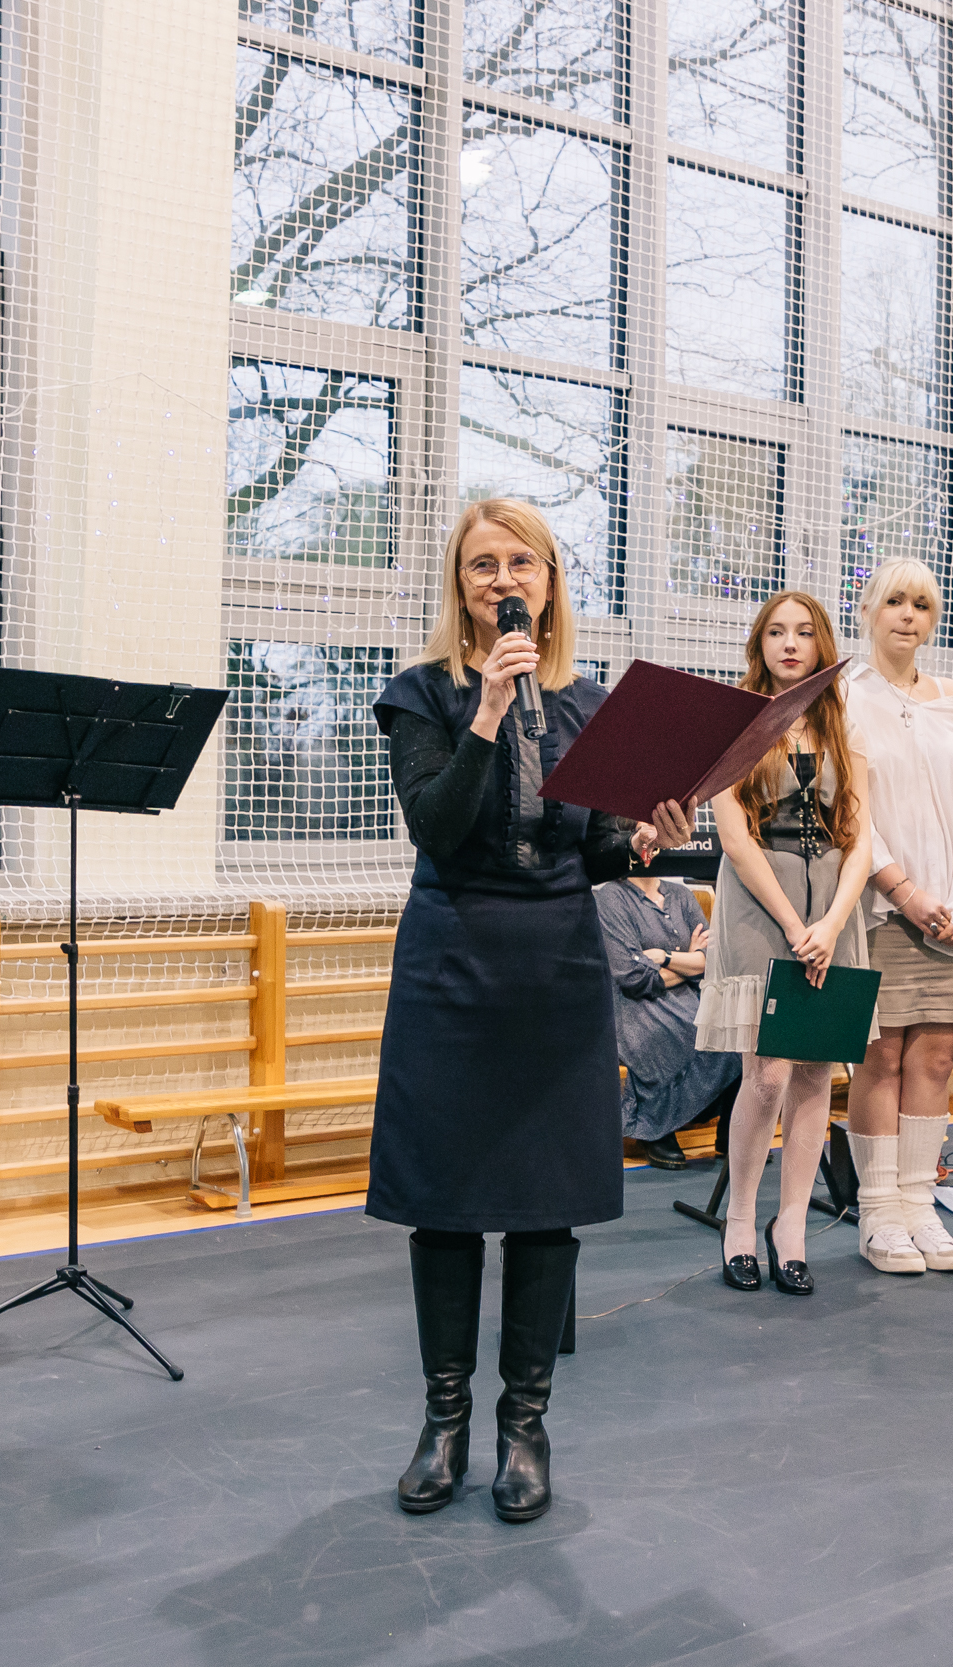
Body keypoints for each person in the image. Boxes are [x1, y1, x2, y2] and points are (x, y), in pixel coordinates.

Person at [369, 498, 688, 1526]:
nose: (502, 579)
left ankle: (525, 1424)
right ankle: (444, 1420)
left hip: (556, 965)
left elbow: (588, 850)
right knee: (446, 1200)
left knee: (545, 1203)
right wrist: (487, 711)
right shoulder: (421, 693)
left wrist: (645, 837)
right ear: (460, 585)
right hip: (452, 961)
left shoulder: (589, 704)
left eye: (522, 563)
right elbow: (438, 825)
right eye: (482, 564)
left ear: (549, 582)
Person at [697, 590, 872, 1297]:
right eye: (777, 632)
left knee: (815, 1074)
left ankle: (791, 1226)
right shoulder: (735, 725)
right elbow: (735, 838)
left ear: (822, 643)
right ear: (759, 644)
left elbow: (861, 839)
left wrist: (829, 923)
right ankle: (740, 1219)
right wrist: (795, 927)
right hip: (759, 908)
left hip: (832, 908)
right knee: (766, 1072)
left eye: (803, 632)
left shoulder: (842, 729)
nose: (791, 643)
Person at [842, 560, 953, 1276]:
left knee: (935, 1059)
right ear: (868, 608)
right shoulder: (843, 695)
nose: (908, 615)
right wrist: (904, 892)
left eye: (923, 605)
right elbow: (848, 810)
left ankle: (919, 1204)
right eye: (896, 601)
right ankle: (878, 1211)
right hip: (879, 906)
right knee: (879, 1058)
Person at [595, 871, 740, 1169]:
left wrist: (664, 956)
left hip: (691, 997)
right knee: (670, 1033)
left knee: (735, 1031)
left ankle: (731, 1133)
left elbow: (714, 959)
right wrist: (690, 959)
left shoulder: (681, 896)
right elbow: (632, 976)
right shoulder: (610, 897)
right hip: (637, 1005)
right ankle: (658, 1127)